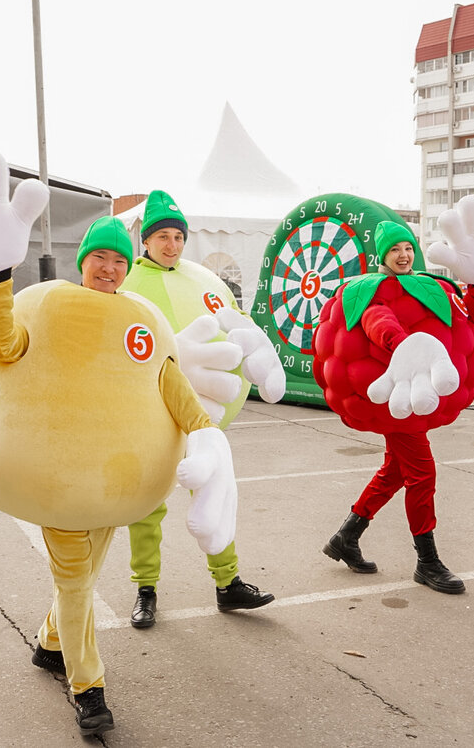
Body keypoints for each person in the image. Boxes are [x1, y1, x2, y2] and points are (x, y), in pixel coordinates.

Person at [0, 151, 239, 738]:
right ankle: (88, 688)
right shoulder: (50, 303)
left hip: (116, 485)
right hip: (61, 478)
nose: (109, 268)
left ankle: (48, 642)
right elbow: (4, 344)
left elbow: (169, 381)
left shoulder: (140, 319)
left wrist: (205, 432)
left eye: (118, 259)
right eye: (99, 258)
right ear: (83, 262)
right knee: (77, 581)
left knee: (85, 572)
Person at [315, 204, 474, 594]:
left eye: (408, 248)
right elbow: (378, 321)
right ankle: (427, 561)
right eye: (395, 249)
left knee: (397, 470)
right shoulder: (369, 291)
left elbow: (468, 316)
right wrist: (405, 348)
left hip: (420, 395)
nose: (404, 255)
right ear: (382, 255)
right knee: (422, 473)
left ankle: (346, 537)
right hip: (396, 398)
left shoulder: (432, 285)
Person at [119, 190, 283, 627]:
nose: (171, 245)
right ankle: (146, 589)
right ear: (146, 241)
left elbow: (235, 329)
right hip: (148, 416)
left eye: (177, 236)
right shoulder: (127, 287)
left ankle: (228, 583)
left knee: (215, 493)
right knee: (147, 508)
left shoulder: (206, 282)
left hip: (200, 418)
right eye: (162, 237)